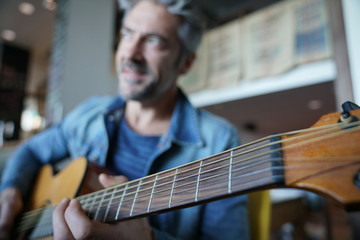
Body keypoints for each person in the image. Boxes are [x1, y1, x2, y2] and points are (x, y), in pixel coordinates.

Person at [0, 0, 249, 239]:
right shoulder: (90, 113)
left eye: (153, 41)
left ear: (186, 62)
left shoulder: (219, 142)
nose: (130, 53)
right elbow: (31, 150)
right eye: (127, 34)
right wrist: (11, 189)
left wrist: (149, 238)